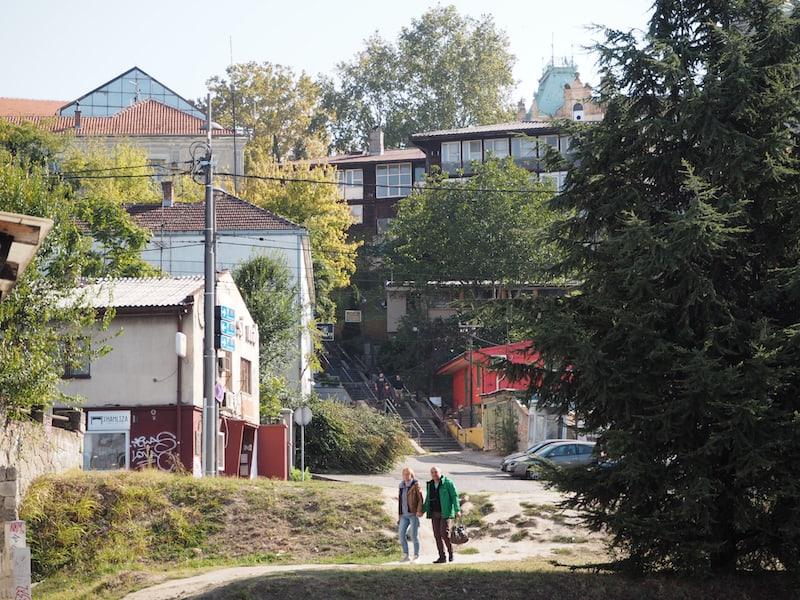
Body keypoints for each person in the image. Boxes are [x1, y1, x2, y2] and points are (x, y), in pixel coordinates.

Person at [422, 466, 461, 563]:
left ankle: (450, 552)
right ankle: (442, 557)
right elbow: (427, 499)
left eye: (436, 472)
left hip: (445, 512)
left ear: (440, 472)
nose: (434, 474)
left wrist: (457, 509)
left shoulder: (448, 483)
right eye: (432, 472)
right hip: (434, 512)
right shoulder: (430, 484)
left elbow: (454, 496)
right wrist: (422, 510)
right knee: (437, 535)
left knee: (444, 533)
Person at [397, 466, 424, 563]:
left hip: (413, 514)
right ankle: (406, 555)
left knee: (413, 535)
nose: (405, 476)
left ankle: (416, 556)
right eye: (404, 474)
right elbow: (401, 501)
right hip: (404, 514)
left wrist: (419, 510)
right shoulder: (401, 486)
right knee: (401, 533)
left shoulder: (415, 485)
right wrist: (399, 515)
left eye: (407, 474)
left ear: (411, 475)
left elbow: (420, 499)